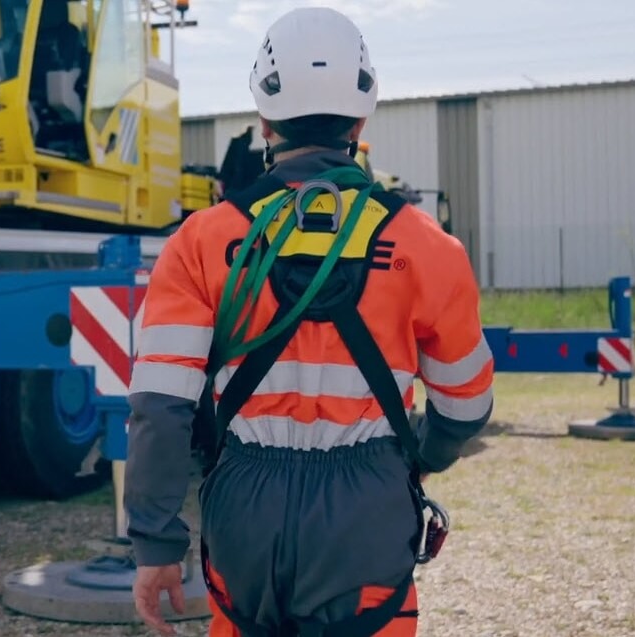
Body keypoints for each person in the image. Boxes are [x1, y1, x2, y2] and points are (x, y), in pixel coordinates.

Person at [122, 6, 495, 637]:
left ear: (264, 118)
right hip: (367, 516)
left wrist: (157, 545)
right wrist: (423, 457)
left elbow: (160, 408)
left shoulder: (201, 241)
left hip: (244, 514)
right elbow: (466, 406)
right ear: (361, 115)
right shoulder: (428, 247)